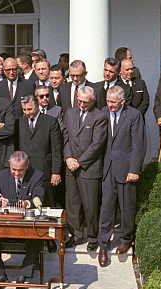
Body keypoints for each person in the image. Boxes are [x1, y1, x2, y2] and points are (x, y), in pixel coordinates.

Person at [0, 151, 45, 289]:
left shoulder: (37, 176)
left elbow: (39, 196)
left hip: (26, 226)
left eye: (20, 170)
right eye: (13, 169)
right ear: (9, 164)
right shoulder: (0, 176)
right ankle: (0, 275)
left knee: (37, 236)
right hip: (4, 226)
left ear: (27, 165)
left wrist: (27, 203)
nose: (16, 173)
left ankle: (22, 277)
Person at [98, 86, 146, 267]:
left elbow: (138, 144)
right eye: (108, 101)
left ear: (123, 101)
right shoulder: (102, 113)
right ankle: (104, 244)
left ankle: (126, 239)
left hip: (127, 169)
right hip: (107, 168)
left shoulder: (134, 115)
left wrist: (134, 169)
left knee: (127, 207)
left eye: (113, 102)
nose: (109, 105)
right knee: (106, 206)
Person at [63, 86, 107, 250]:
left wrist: (79, 162)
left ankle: (93, 237)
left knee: (90, 205)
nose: (81, 104)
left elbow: (96, 145)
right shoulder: (70, 112)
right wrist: (68, 158)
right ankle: (76, 235)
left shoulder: (100, 117)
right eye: (79, 101)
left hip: (89, 168)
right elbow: (65, 137)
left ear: (93, 101)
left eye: (85, 102)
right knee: (73, 204)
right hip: (71, 166)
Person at [19, 95, 62, 207]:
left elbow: (56, 149)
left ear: (37, 106)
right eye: (24, 110)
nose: (27, 112)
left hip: (45, 173)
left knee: (47, 203)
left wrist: (56, 172)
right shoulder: (19, 122)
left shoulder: (50, 121)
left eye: (29, 109)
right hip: (26, 172)